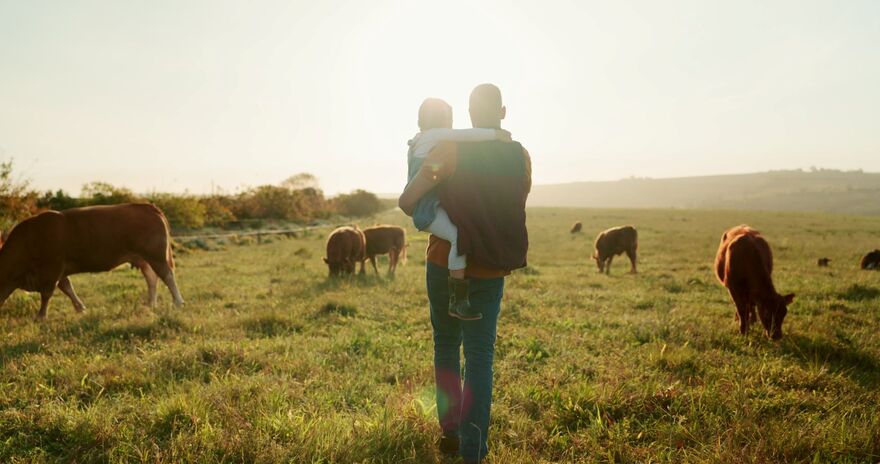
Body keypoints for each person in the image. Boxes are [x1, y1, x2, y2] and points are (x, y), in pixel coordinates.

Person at [399, 83, 531, 464]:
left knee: (445, 346)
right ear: (502, 113)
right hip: (490, 267)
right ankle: (474, 453)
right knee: (479, 359)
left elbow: (409, 201)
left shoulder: (449, 149)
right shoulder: (520, 156)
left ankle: (450, 433)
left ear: (467, 117)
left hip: (443, 263)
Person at [406, 97, 510, 320]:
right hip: (427, 209)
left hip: (428, 206)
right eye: (449, 119)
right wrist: (495, 135)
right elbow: (466, 135)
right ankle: (458, 300)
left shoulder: (419, 139)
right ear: (442, 121)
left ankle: (457, 297)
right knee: (458, 237)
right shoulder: (436, 136)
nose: (452, 125)